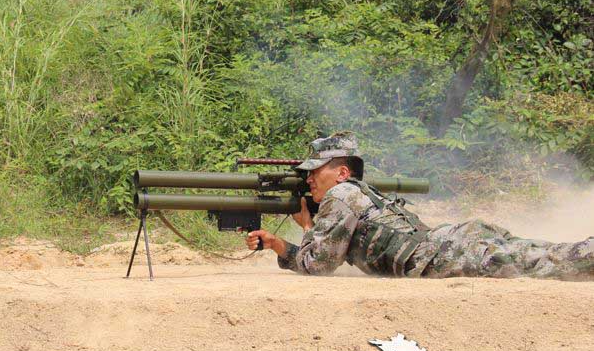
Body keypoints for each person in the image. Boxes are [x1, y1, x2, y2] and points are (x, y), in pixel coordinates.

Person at [245, 133, 594, 280]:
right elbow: (324, 258)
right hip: (450, 245)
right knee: (545, 254)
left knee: (551, 262)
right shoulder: (356, 194)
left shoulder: (341, 196)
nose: (309, 179)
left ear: (342, 173)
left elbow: (319, 267)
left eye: (314, 172)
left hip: (446, 255)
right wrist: (278, 245)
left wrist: (307, 227)